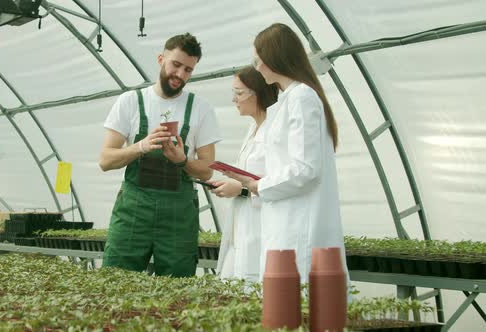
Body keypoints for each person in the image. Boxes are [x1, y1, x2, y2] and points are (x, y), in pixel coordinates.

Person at [223, 23, 348, 283]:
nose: (256, 68)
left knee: (295, 308)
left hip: (298, 225)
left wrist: (258, 184)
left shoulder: (302, 97)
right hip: (282, 222)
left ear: (275, 58)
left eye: (258, 60)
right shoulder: (287, 100)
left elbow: (306, 169)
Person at [99, 33, 221, 277]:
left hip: (178, 215)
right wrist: (140, 146)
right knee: (116, 282)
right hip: (134, 210)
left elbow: (208, 169)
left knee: (178, 291)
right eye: (176, 65)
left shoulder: (201, 109)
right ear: (160, 59)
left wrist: (182, 161)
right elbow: (105, 160)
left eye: (188, 70)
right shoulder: (130, 102)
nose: (180, 75)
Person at [210, 66, 278, 282]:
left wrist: (239, 188)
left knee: (255, 285)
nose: (234, 100)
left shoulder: (275, 131)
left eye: (239, 93)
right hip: (243, 224)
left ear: (258, 93)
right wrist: (232, 182)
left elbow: (280, 181)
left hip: (262, 226)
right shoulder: (252, 129)